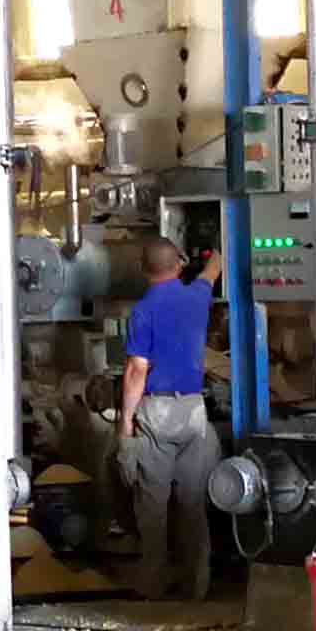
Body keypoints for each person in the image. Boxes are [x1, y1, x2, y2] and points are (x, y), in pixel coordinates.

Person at [114, 234, 224, 602]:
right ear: (178, 264)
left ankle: (154, 584)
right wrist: (213, 250)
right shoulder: (197, 296)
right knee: (193, 504)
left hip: (158, 413)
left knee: (153, 505)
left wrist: (125, 421)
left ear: (143, 270)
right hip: (193, 411)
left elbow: (136, 370)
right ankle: (197, 586)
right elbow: (213, 269)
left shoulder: (143, 310)